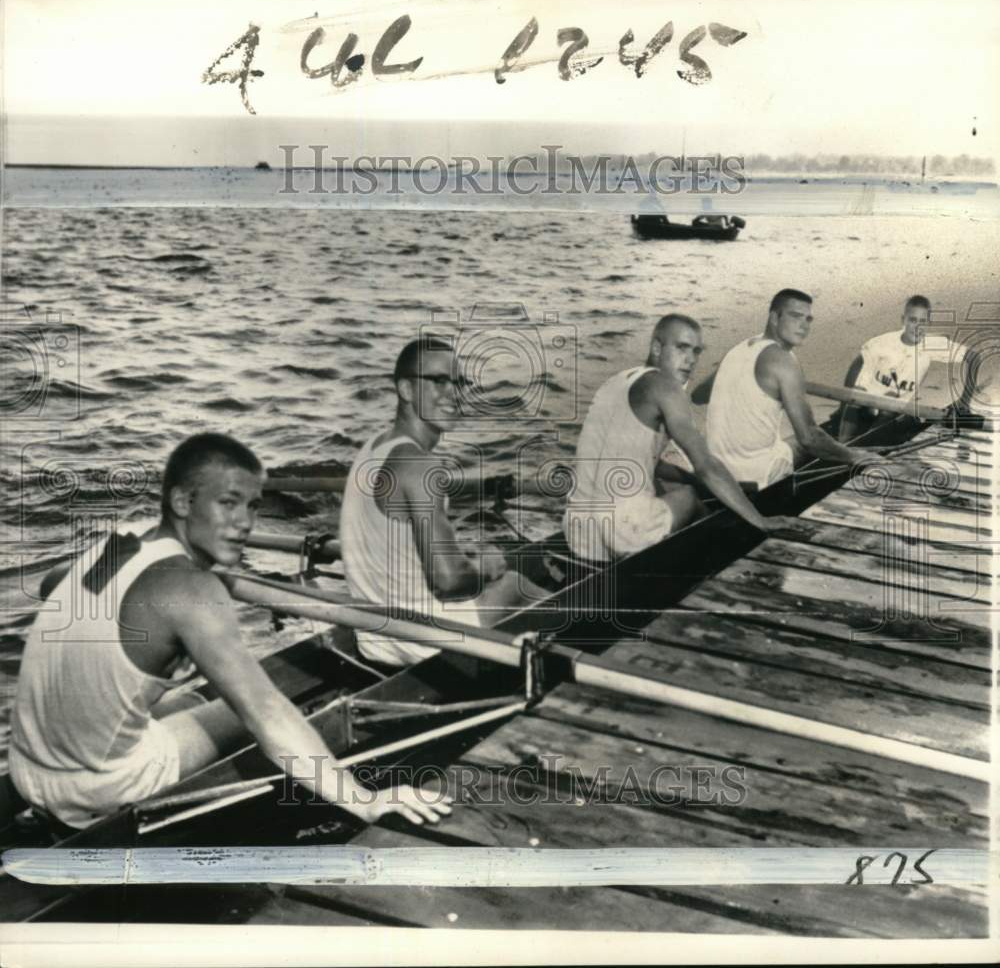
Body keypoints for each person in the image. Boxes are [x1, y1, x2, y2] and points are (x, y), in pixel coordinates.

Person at [8, 433, 451, 830]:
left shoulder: (122, 542)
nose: (245, 523)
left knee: (178, 697)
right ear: (183, 502)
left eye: (253, 505)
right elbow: (267, 713)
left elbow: (53, 586)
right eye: (228, 503)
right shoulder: (192, 590)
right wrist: (367, 802)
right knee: (254, 707)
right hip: (95, 794)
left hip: (27, 774)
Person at [340, 336, 547, 668]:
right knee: (514, 584)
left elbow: (399, 549)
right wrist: (486, 568)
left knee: (483, 565)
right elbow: (447, 582)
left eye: (458, 382)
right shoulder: (420, 465)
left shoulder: (371, 450)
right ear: (405, 390)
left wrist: (462, 558)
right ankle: (594, 643)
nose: (453, 393)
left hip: (374, 641)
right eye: (438, 381)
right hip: (422, 644)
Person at [563, 314, 796, 563]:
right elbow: (706, 465)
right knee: (689, 498)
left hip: (577, 532)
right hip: (621, 534)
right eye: (682, 348)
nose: (690, 361)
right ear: (656, 347)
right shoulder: (667, 388)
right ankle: (707, 566)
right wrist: (759, 519)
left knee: (673, 486)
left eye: (696, 352)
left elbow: (643, 463)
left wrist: (696, 480)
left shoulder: (615, 383)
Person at [702, 289, 883, 488]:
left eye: (808, 319)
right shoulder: (784, 361)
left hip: (714, 469)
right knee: (805, 443)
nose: (804, 326)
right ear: (774, 317)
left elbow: (699, 395)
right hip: (754, 476)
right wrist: (854, 456)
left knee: (789, 442)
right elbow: (809, 438)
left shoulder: (740, 348)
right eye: (795, 316)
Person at [837, 295, 978, 439]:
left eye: (922, 321)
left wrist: (965, 400)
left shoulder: (933, 345)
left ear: (929, 323)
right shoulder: (882, 342)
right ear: (903, 320)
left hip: (892, 408)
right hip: (867, 403)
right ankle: (842, 444)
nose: (917, 327)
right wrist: (842, 404)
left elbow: (974, 358)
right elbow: (859, 362)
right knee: (857, 395)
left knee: (890, 398)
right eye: (912, 320)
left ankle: (865, 443)